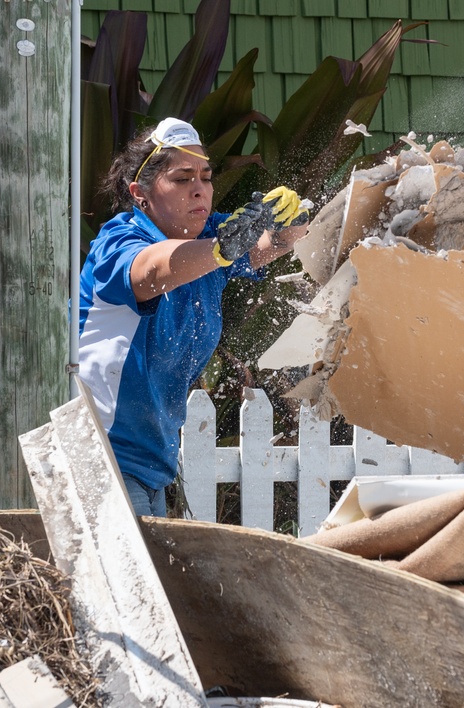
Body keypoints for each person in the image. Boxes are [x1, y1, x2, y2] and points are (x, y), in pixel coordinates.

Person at [77, 117, 310, 517]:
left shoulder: (209, 236)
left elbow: (269, 246)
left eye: (205, 176)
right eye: (183, 178)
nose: (199, 188)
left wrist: (290, 222)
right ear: (141, 193)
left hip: (152, 466)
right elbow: (152, 270)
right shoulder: (118, 242)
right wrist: (221, 251)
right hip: (100, 456)